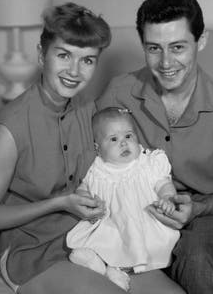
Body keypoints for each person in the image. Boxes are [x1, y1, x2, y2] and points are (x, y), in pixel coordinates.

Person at [0, 2, 184, 294]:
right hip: (32, 250)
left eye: (87, 60)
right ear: (42, 55)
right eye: (64, 55)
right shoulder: (8, 129)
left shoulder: (88, 108)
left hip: (96, 238)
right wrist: (59, 203)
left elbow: (121, 159)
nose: (74, 71)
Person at [96, 0, 213, 294]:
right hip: (143, 214)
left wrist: (197, 209)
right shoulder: (118, 92)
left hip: (212, 213)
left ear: (201, 41)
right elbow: (91, 158)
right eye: (154, 49)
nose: (166, 62)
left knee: (194, 256)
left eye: (177, 47)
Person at [66, 107, 180, 291]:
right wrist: (87, 200)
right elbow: (82, 189)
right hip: (112, 222)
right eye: (113, 139)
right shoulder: (97, 170)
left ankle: (115, 270)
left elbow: (163, 183)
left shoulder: (147, 163)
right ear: (98, 148)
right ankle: (104, 266)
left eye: (129, 136)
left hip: (145, 221)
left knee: (144, 245)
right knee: (107, 240)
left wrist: (167, 198)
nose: (124, 143)